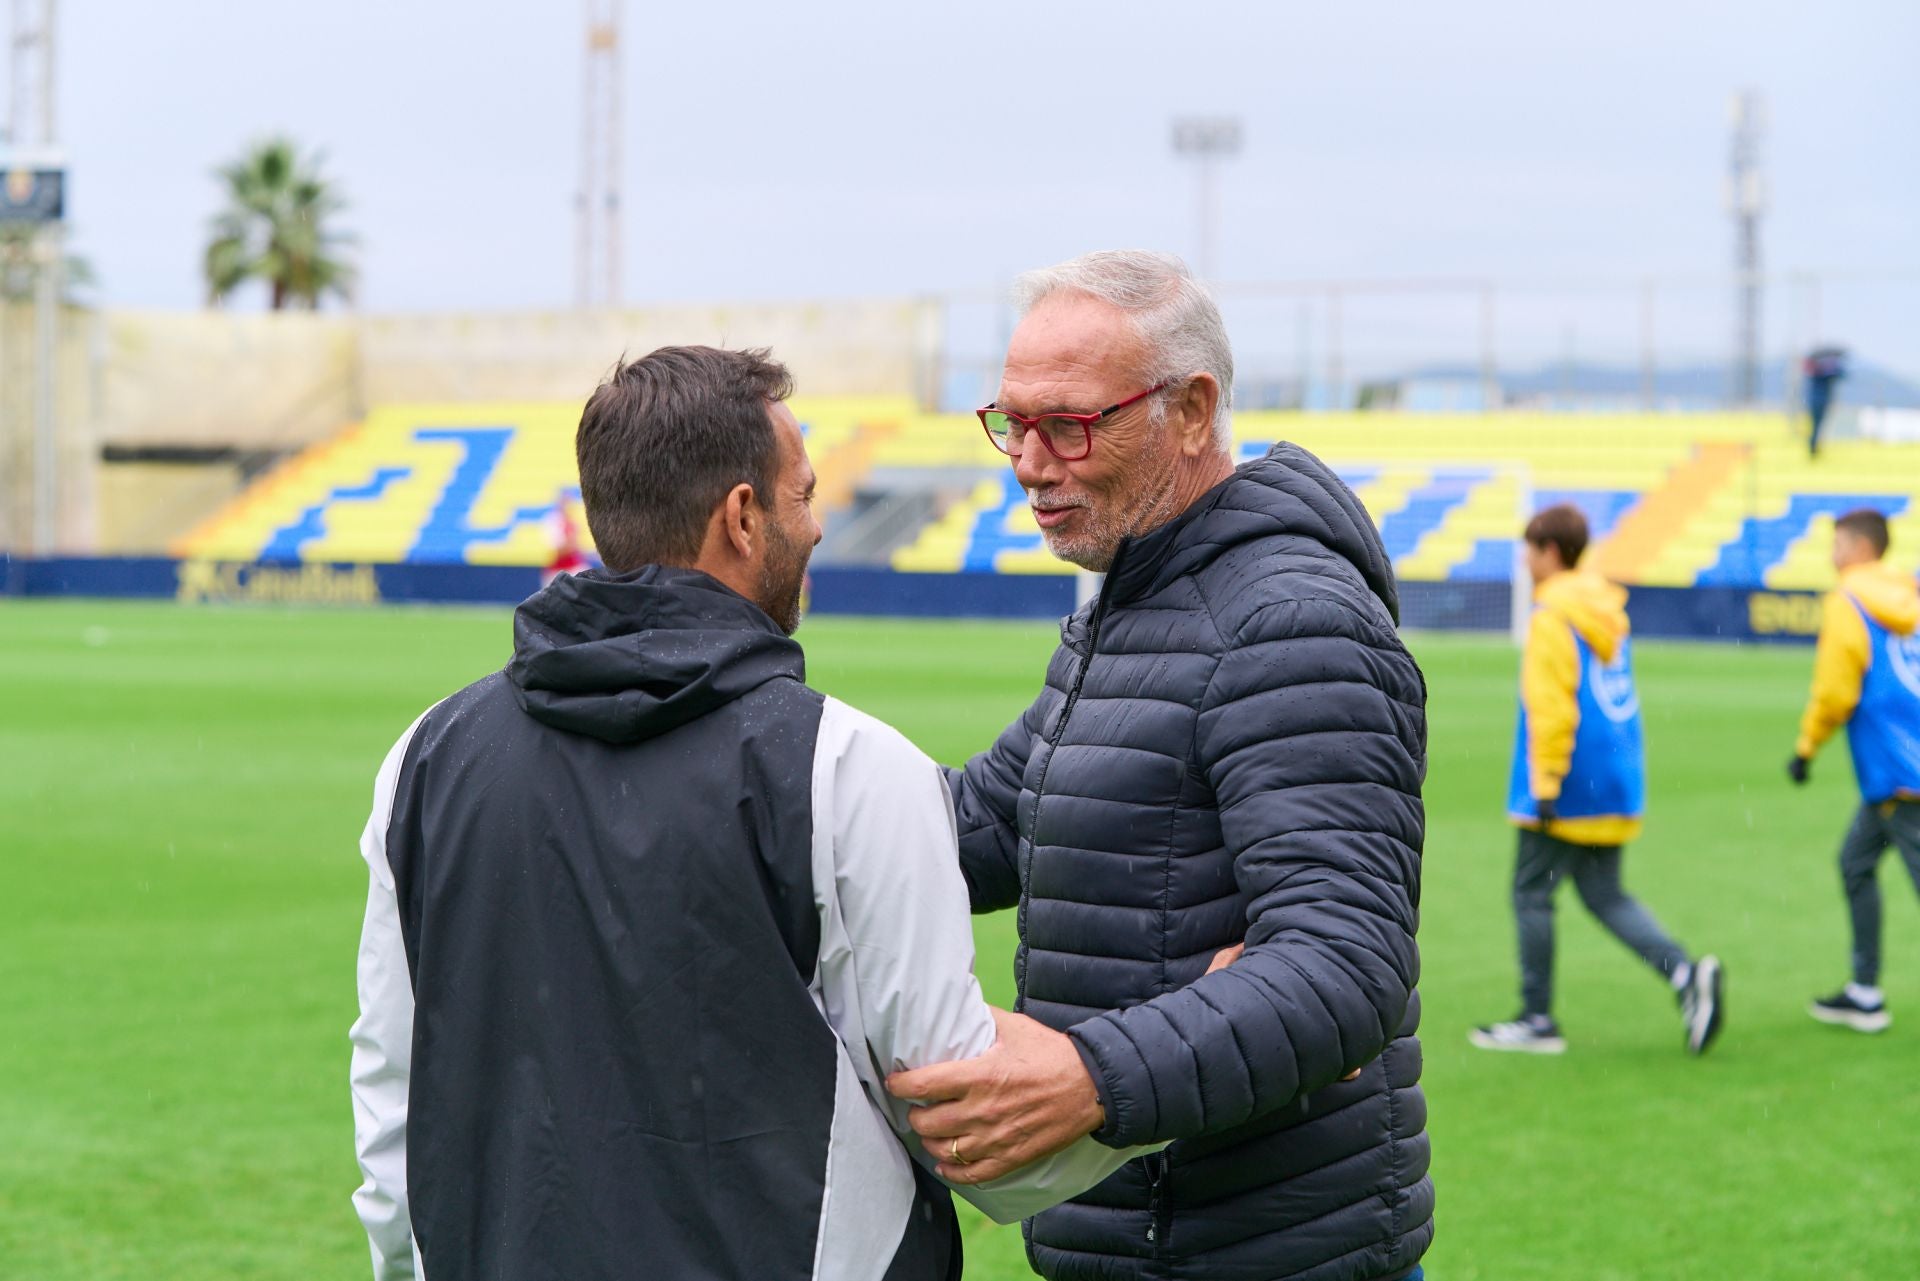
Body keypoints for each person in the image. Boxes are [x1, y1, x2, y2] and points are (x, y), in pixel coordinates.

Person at [349, 346, 1150, 1281]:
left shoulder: (424, 757)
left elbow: (394, 1115)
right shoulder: (850, 765)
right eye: (802, 496)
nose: (814, 529)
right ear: (741, 516)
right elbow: (976, 1135)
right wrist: (1179, 1064)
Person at [885, 251, 1433, 1281]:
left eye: (1069, 424)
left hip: (1265, 1253)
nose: (1029, 463)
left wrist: (1089, 1078)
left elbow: (1347, 967)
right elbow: (997, 823)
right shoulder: (1138, 602)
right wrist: (770, 800)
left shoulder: (1289, 619)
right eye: (1011, 423)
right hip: (1139, 1238)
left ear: (1190, 410)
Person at [1471, 504, 1724, 1056]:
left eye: (1530, 548)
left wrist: (1544, 785)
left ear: (1550, 552)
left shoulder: (1553, 616)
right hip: (1612, 775)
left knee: (1531, 892)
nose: (1524, 559)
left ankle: (1537, 1019)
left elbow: (1552, 709)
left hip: (1568, 781)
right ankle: (1685, 975)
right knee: (1604, 894)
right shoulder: (1604, 608)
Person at [1789, 507, 1920, 1032]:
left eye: (1838, 543)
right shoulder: (1909, 595)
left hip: (1899, 770)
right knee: (1854, 862)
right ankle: (1864, 991)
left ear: (1861, 547)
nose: (1832, 555)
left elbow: (1836, 692)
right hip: (1901, 768)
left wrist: (1805, 749)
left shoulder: (1849, 601)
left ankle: (1865, 992)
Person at [1803, 346, 1848, 458]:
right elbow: (1839, 374)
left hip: (1819, 401)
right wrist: (1832, 364)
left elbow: (1841, 374)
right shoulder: (1819, 370)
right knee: (1816, 426)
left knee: (1818, 426)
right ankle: (1813, 448)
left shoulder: (1819, 370)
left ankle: (1814, 448)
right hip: (1818, 402)